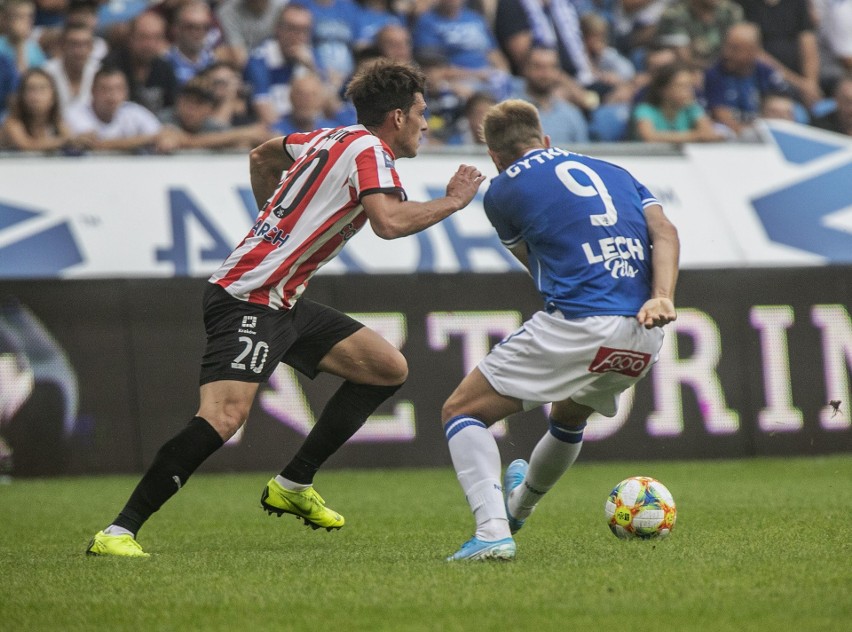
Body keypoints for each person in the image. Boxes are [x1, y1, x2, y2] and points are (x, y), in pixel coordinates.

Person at [85, 60, 486, 558]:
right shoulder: (370, 149)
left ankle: (293, 484)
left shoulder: (328, 138)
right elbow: (387, 221)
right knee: (223, 416)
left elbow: (262, 155)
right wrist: (453, 201)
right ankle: (118, 532)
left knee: (386, 369)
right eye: (422, 113)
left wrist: (277, 224)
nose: (427, 124)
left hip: (281, 297)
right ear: (398, 117)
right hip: (248, 298)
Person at [441, 98, 680, 561]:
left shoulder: (501, 191)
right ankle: (518, 507)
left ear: (494, 156)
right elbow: (664, 231)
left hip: (582, 322)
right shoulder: (615, 170)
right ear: (546, 139)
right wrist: (663, 294)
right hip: (645, 331)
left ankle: (492, 533)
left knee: (462, 411)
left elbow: (535, 265)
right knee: (569, 417)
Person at [704, 22, 792, 138]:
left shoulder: (766, 73)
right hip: (735, 139)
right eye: (726, 46)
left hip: (767, 135)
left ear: (753, 51)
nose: (726, 53)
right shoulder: (715, 74)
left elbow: (784, 105)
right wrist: (749, 134)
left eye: (735, 49)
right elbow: (722, 116)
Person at [735, 0, 821, 107]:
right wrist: (800, 85)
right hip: (765, 81)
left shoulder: (797, 3)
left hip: (802, 81)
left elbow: (808, 43)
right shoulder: (745, 4)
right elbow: (754, 51)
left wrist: (811, 84)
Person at [244, 3, 319, 126]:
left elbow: (330, 107)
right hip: (280, 133)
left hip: (308, 129)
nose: (299, 36)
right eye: (292, 29)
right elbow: (266, 114)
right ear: (277, 29)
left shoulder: (309, 56)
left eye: (304, 30)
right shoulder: (260, 59)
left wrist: (312, 68)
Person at [65, 65, 169, 152]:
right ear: (93, 91)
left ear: (126, 92)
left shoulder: (133, 111)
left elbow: (163, 135)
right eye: (105, 89)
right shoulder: (76, 113)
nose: (112, 95)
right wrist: (149, 139)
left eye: (118, 89)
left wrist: (160, 138)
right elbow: (96, 145)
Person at [103, 10, 178, 117]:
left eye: (156, 37)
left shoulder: (165, 68)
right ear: (131, 38)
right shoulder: (111, 65)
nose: (149, 44)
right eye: (144, 37)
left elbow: (173, 108)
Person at [510, 45, 590, 143]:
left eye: (551, 67)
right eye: (538, 67)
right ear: (525, 69)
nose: (545, 74)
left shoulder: (572, 115)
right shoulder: (509, 113)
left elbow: (583, 154)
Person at [632, 61, 724, 141]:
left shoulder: (691, 108)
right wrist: (696, 136)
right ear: (663, 90)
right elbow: (649, 136)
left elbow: (708, 134)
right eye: (680, 86)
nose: (687, 92)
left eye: (689, 86)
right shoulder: (645, 110)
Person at [0, 67, 83, 152]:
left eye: (42, 89)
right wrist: (63, 141)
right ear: (22, 96)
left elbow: (72, 141)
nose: (36, 96)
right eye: (31, 89)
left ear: (53, 97)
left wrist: (81, 141)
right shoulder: (12, 123)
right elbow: (27, 145)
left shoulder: (58, 123)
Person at [655, 0, 743, 68]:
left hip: (726, 70)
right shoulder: (674, 14)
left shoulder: (730, 11)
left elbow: (743, 46)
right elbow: (684, 58)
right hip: (690, 71)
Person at [42, 22, 100, 115]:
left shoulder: (99, 73)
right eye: (74, 44)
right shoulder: (46, 73)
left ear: (92, 47)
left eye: (85, 44)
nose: (80, 51)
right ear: (62, 46)